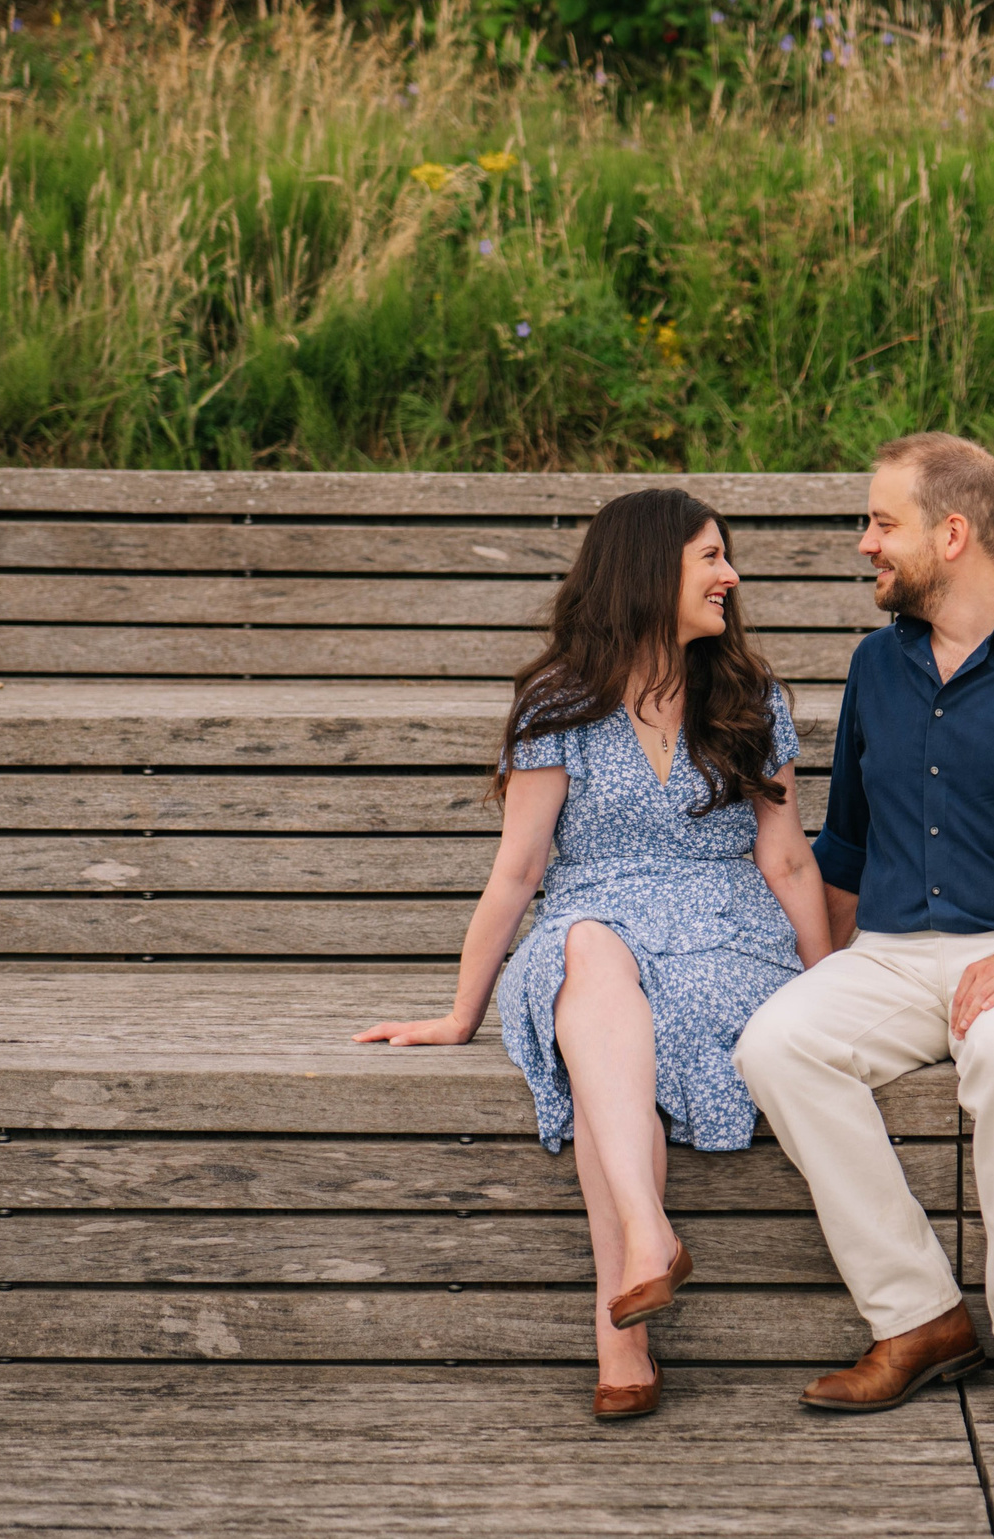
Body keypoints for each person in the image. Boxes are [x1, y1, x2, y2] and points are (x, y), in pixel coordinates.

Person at [352, 487, 833, 1421]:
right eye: (711, 559)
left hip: (721, 943)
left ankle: (623, 1336)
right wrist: (461, 1013)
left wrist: (828, 986)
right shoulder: (559, 704)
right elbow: (519, 871)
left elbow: (787, 857)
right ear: (651, 573)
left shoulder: (748, 697)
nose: (732, 577)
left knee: (601, 1038)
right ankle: (647, 1239)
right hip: (589, 933)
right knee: (589, 951)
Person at [735, 432, 994, 1427]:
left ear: (951, 533)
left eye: (882, 523)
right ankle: (919, 1317)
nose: (863, 544)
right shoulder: (877, 668)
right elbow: (849, 844)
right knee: (777, 1043)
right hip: (889, 956)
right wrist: (803, 971)